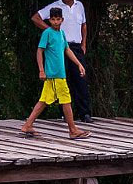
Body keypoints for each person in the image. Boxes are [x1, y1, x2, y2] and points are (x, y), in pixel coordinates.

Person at [21, 7, 90, 139]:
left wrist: (79, 64)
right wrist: (41, 70)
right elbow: (39, 51)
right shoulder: (47, 33)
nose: (55, 22)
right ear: (49, 20)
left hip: (59, 74)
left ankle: (27, 125)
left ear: (62, 20)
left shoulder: (62, 33)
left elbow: (67, 50)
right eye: (53, 19)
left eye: (58, 19)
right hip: (54, 75)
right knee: (66, 100)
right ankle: (73, 130)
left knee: (44, 101)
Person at [33, 0, 92, 124]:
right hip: (59, 48)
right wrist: (51, 31)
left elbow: (84, 25)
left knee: (80, 80)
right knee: (62, 80)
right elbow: (36, 17)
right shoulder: (55, 7)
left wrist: (84, 43)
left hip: (76, 46)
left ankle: (85, 114)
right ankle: (65, 115)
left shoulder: (80, 6)